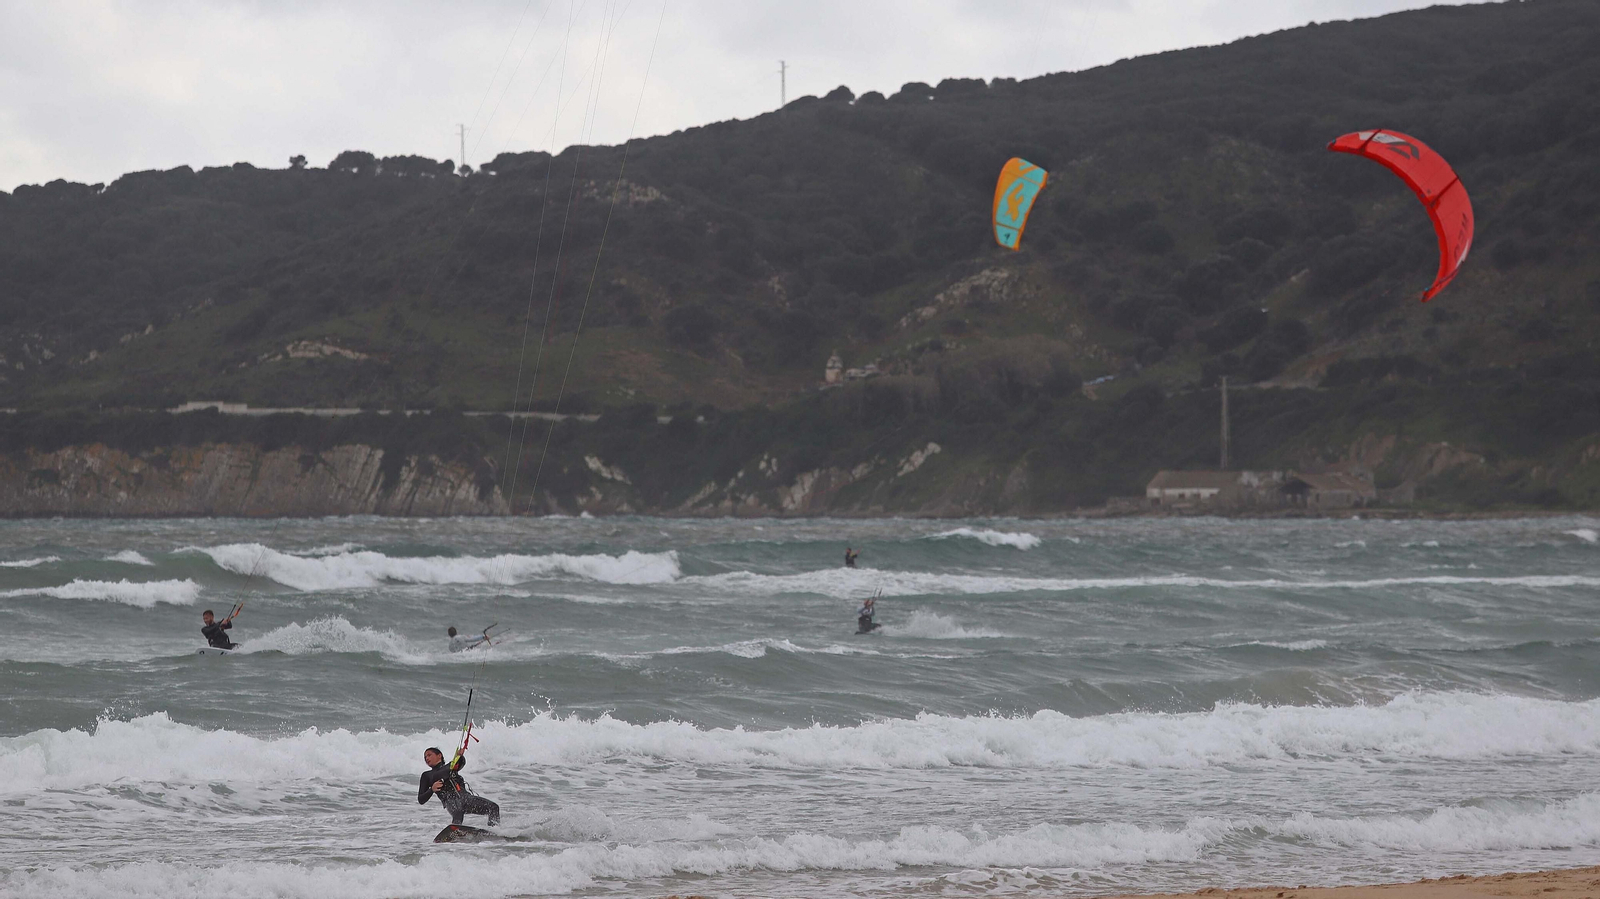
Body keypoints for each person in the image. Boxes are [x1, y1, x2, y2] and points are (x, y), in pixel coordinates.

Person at [418, 746, 500, 827]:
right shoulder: (427, 775)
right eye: (425, 757)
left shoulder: (451, 766)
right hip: (450, 800)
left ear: (439, 755)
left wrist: (460, 756)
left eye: (429, 755)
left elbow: (461, 763)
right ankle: (454, 832)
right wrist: (431, 789)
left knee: (493, 807)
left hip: (466, 798)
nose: (426, 758)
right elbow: (421, 799)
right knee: (458, 811)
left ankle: (494, 831)